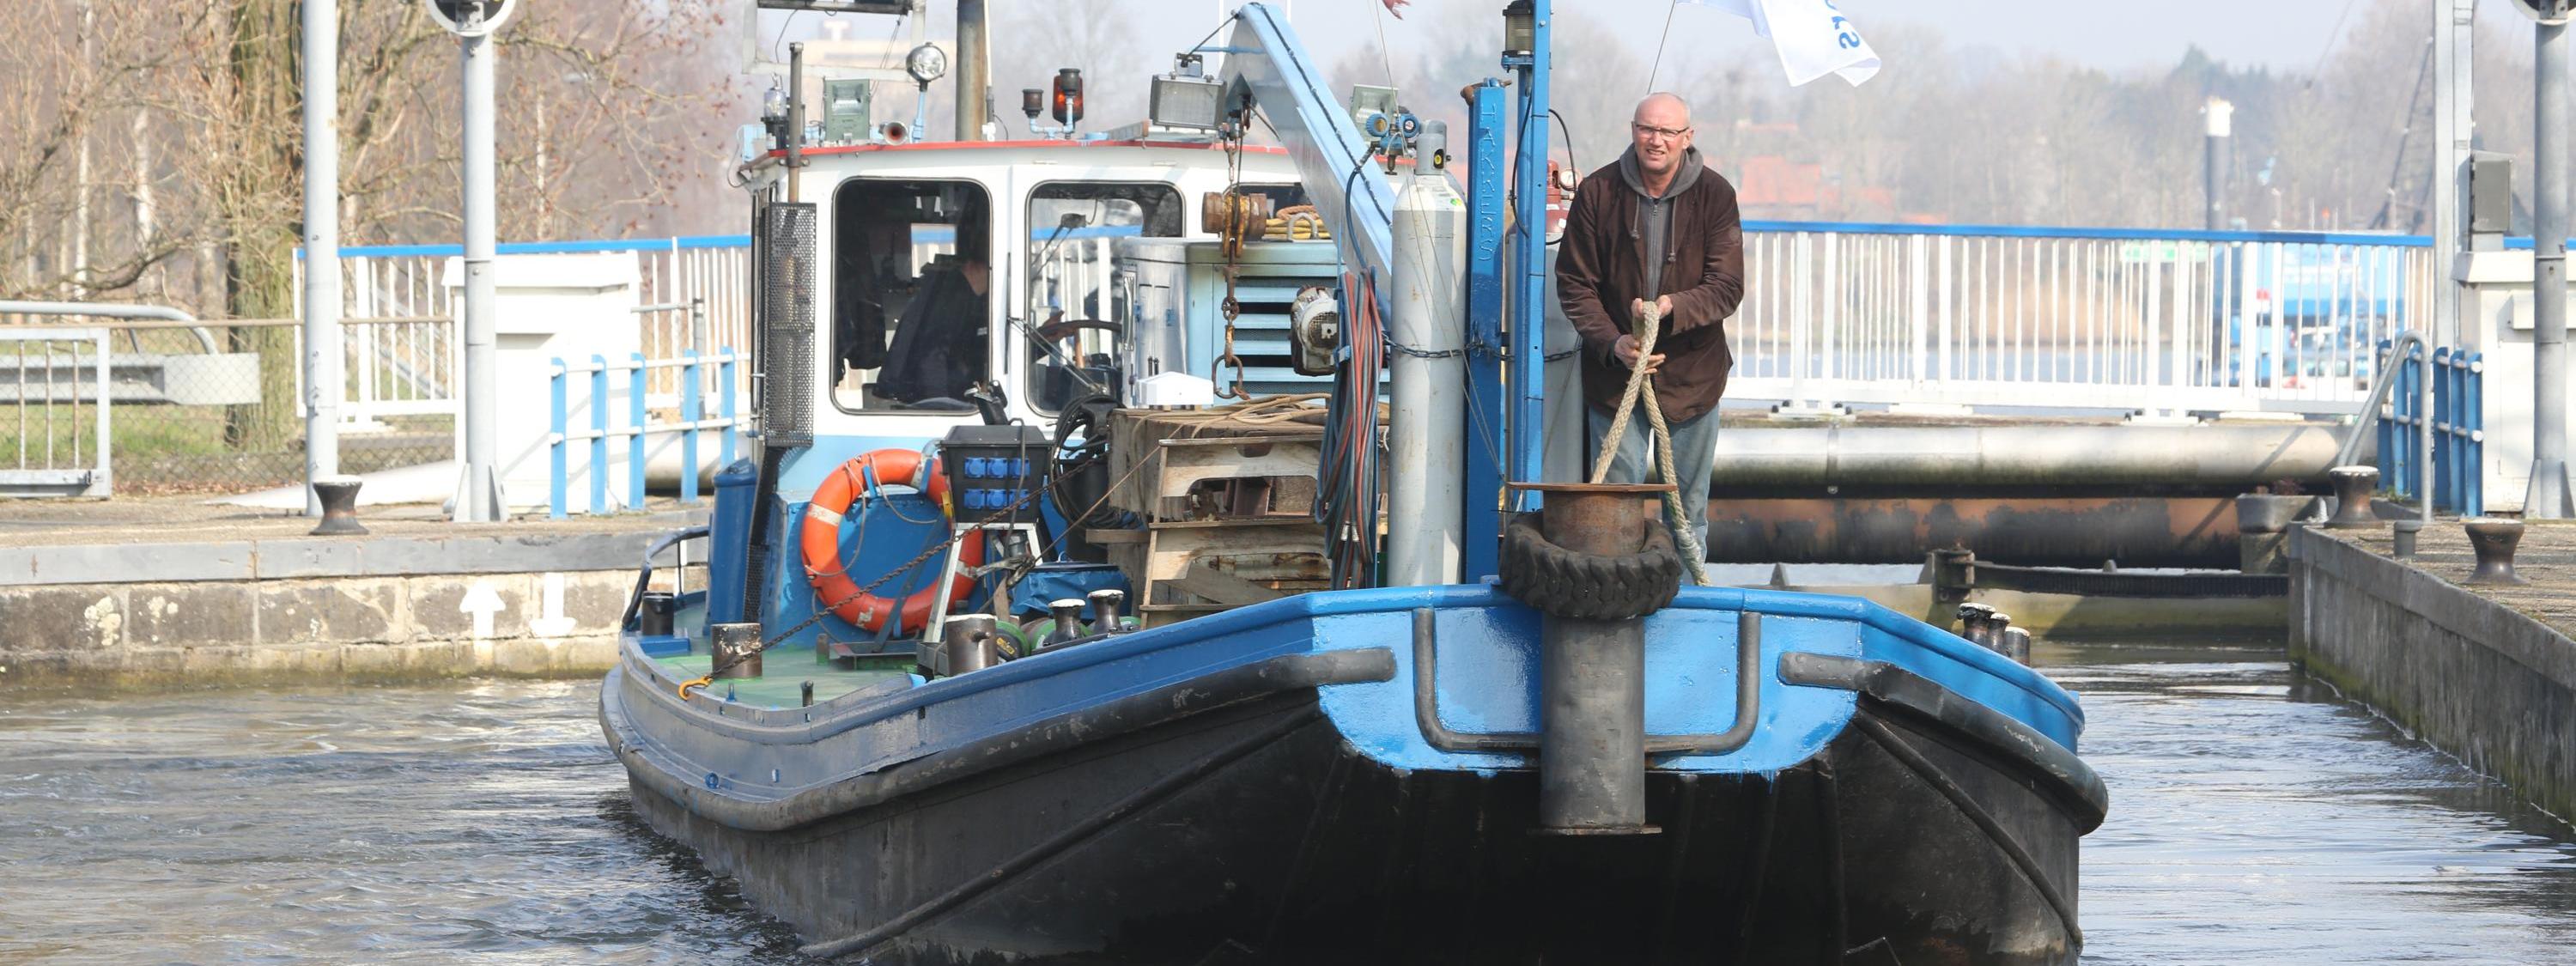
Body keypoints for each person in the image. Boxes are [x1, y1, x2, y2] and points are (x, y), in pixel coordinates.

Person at [1555, 92, 1746, 552]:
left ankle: (1683, 610)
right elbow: (1574, 283)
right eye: (1646, 129)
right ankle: (1619, 611)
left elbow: (1727, 287)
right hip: (1615, 379)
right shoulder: (1598, 192)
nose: (1655, 140)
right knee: (1615, 508)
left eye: (1666, 131)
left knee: (1687, 515)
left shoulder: (1717, 195)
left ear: (1687, 138)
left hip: (1693, 379)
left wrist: (1670, 309)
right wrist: (1612, 342)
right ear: (1633, 130)